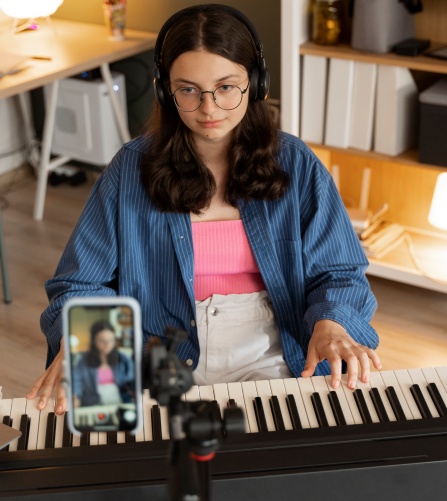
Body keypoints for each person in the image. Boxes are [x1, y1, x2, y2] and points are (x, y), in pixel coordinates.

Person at [27, 3, 381, 415]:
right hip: (157, 347)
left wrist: (332, 323)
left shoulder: (297, 164)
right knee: (127, 454)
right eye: (188, 90)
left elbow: (338, 272)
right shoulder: (131, 168)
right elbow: (80, 283)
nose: (209, 108)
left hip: (268, 347)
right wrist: (82, 344)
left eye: (227, 87)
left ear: (256, 83)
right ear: (166, 90)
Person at [72, 320, 135, 408]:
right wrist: (75, 397)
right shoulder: (84, 360)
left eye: (111, 340)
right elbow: (76, 380)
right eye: (102, 341)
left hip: (120, 403)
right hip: (92, 404)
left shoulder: (122, 359)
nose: (107, 344)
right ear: (94, 341)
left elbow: (132, 379)